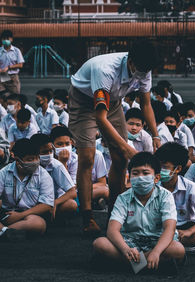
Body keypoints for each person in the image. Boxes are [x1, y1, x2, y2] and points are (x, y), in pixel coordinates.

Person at [69, 40, 161, 234]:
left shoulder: (144, 68)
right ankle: (88, 218)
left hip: (113, 102)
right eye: (141, 69)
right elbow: (100, 119)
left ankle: (114, 215)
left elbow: (146, 105)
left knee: (120, 158)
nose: (144, 74)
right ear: (131, 62)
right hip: (84, 100)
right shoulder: (106, 70)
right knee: (87, 158)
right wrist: (128, 148)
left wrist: (156, 136)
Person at [92, 152, 185, 272]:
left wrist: (156, 252)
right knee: (100, 244)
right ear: (129, 177)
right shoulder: (123, 198)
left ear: (156, 178)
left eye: (145, 173)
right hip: (130, 242)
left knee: (177, 249)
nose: (140, 177)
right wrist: (126, 249)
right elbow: (112, 230)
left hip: (156, 242)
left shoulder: (165, 196)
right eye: (135, 173)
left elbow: (170, 229)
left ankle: (128, 265)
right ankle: (146, 265)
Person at [155, 143, 195, 253]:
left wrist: (189, 231)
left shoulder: (190, 186)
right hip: (162, 229)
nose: (161, 170)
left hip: (184, 229)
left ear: (178, 169)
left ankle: (173, 244)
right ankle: (177, 245)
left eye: (165, 167)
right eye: (158, 166)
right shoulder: (154, 186)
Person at [0, 138, 54, 237]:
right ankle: (8, 232)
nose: (35, 162)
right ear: (17, 160)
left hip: (32, 213)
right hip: (8, 214)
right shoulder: (4, 172)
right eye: (30, 159)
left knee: (38, 224)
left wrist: (20, 215)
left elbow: (46, 205)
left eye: (36, 158)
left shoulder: (43, 175)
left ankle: (3, 232)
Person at [31, 134, 77, 221]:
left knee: (71, 205)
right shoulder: (28, 166)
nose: (49, 155)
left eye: (50, 151)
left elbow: (72, 192)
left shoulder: (56, 165)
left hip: (53, 200)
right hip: (32, 202)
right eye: (44, 152)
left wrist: (55, 202)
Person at [0, 30, 25, 94]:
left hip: (13, 76)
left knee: (14, 97)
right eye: (4, 39)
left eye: (7, 38)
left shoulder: (16, 51)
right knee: (0, 96)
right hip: (2, 75)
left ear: (11, 39)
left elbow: (20, 65)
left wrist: (9, 67)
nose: (5, 40)